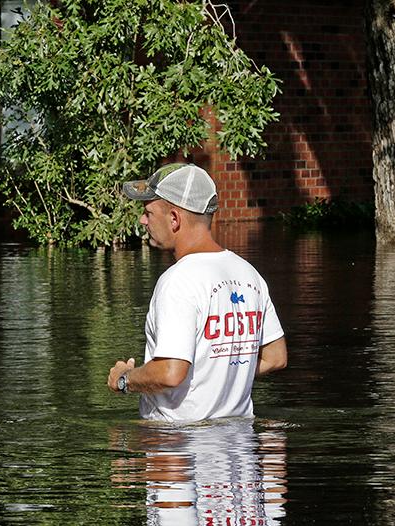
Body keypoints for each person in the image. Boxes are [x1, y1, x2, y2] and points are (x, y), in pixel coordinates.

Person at [107, 163, 287, 423]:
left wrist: (124, 379)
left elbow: (170, 373)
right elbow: (275, 357)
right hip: (238, 447)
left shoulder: (178, 281)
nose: (142, 220)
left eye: (148, 212)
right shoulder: (250, 275)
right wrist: (218, 370)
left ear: (174, 219)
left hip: (178, 446)